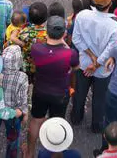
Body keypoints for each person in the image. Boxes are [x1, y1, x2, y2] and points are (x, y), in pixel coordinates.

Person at [26, 16, 79, 158]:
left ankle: (30, 152)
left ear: (47, 31)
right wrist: (65, 44)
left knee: (36, 120)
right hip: (60, 94)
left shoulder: (36, 48)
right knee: (58, 124)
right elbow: (75, 67)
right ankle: (56, 154)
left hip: (40, 90)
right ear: (64, 33)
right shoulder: (70, 54)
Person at [70, 0, 117, 133]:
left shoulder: (83, 15)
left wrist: (91, 57)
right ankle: (97, 126)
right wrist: (96, 64)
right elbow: (110, 49)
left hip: (84, 63)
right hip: (102, 69)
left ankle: (76, 118)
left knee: (80, 93)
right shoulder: (114, 26)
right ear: (110, 4)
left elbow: (76, 39)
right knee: (100, 99)